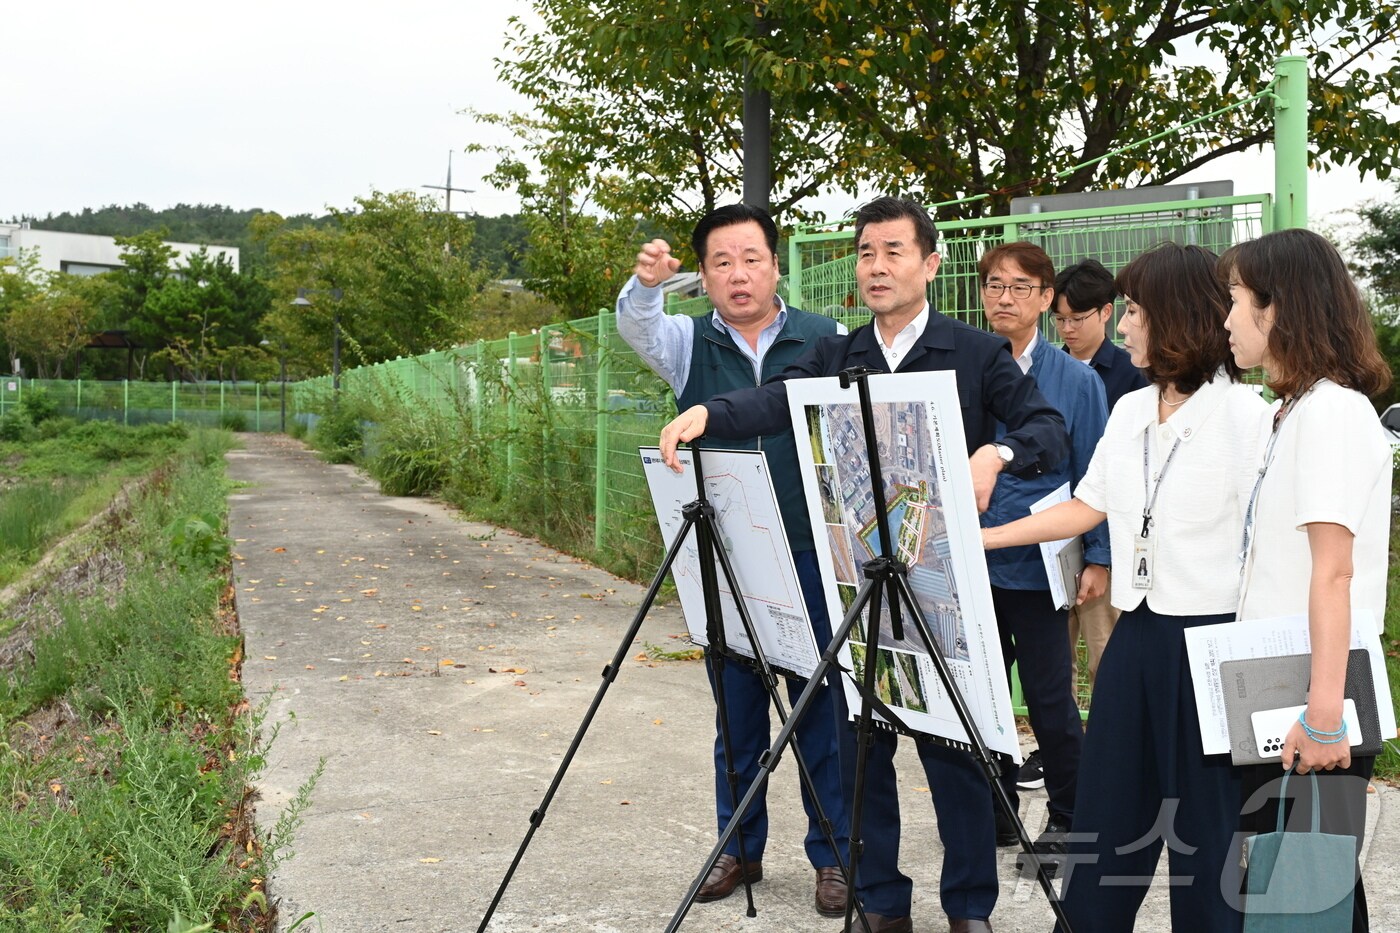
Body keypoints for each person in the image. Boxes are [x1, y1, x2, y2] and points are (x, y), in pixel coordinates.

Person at [659, 196, 1070, 933]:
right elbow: (775, 400)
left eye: (894, 252)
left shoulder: (973, 353)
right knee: (860, 748)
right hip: (856, 583)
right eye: (867, 253)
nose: (877, 267)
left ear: (930, 264)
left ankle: (968, 907)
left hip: (939, 586)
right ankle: (880, 900)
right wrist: (710, 416)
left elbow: (1047, 427)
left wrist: (997, 451)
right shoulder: (841, 353)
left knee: (955, 754)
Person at [982, 241, 1269, 932]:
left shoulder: (1248, 419)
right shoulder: (1132, 409)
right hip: (1138, 634)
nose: (1123, 324)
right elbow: (1086, 506)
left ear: (1175, 315)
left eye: (1134, 309)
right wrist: (979, 535)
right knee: (1107, 822)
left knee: (1207, 838)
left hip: (1212, 646)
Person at [615, 203, 853, 916]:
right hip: (725, 550)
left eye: (752, 258)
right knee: (738, 708)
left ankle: (835, 854)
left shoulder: (825, 337)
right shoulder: (689, 341)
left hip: (810, 550)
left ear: (777, 265)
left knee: (821, 705)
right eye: (721, 262)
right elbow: (639, 325)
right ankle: (738, 845)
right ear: (706, 276)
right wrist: (649, 284)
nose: (739, 274)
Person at [1220, 228, 1392, 933]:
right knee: (1305, 896)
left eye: (1234, 300)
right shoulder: (1285, 414)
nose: (1226, 319)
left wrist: (1325, 717)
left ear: (1277, 308)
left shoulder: (1333, 414)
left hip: (1321, 691)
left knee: (1300, 901)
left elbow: (1335, 568)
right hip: (1282, 688)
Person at [977, 243, 1108, 876]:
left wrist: (1098, 558)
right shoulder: (966, 365)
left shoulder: (1078, 381)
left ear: (1046, 298)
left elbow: (1095, 477)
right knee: (978, 694)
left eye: (1021, 287)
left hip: (1038, 563)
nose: (1005, 297)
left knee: (1052, 701)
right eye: (995, 285)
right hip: (969, 562)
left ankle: (1068, 816)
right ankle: (995, 806)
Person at [1052, 259, 1148, 688]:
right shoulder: (1047, 372)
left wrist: (1102, 556)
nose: (1067, 329)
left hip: (1108, 533)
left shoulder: (1135, 376)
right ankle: (1061, 755)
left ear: (1107, 313)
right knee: (1055, 666)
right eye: (1059, 319)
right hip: (1053, 530)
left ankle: (1109, 749)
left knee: (1106, 659)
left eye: (1077, 318)